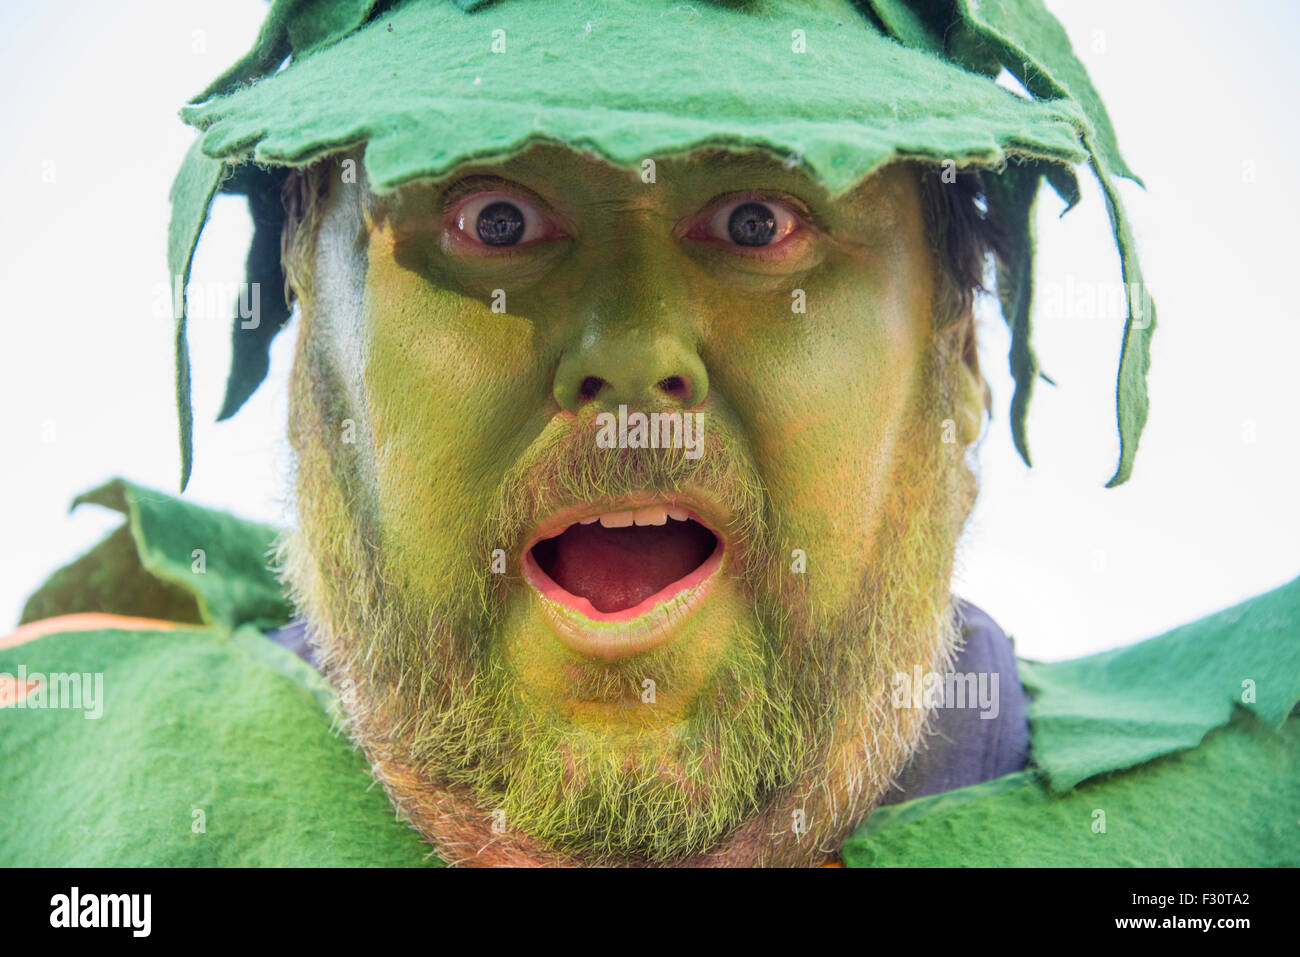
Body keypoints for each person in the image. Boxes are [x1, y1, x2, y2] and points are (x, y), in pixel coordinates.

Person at [2, 0, 1295, 868]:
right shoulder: (41, 792)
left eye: (756, 223)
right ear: (308, 348)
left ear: (953, 343)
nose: (631, 347)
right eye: (496, 220)